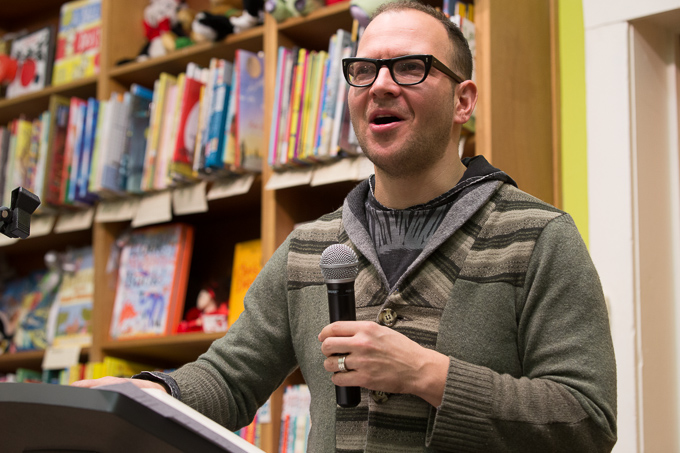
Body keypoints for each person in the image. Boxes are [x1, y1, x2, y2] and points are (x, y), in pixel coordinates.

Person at [74, 1, 617, 451]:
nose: (380, 85)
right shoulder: (309, 247)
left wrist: (426, 373)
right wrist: (144, 391)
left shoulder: (540, 237)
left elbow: (588, 420)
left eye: (410, 67)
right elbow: (229, 378)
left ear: (463, 100)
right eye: (364, 69)